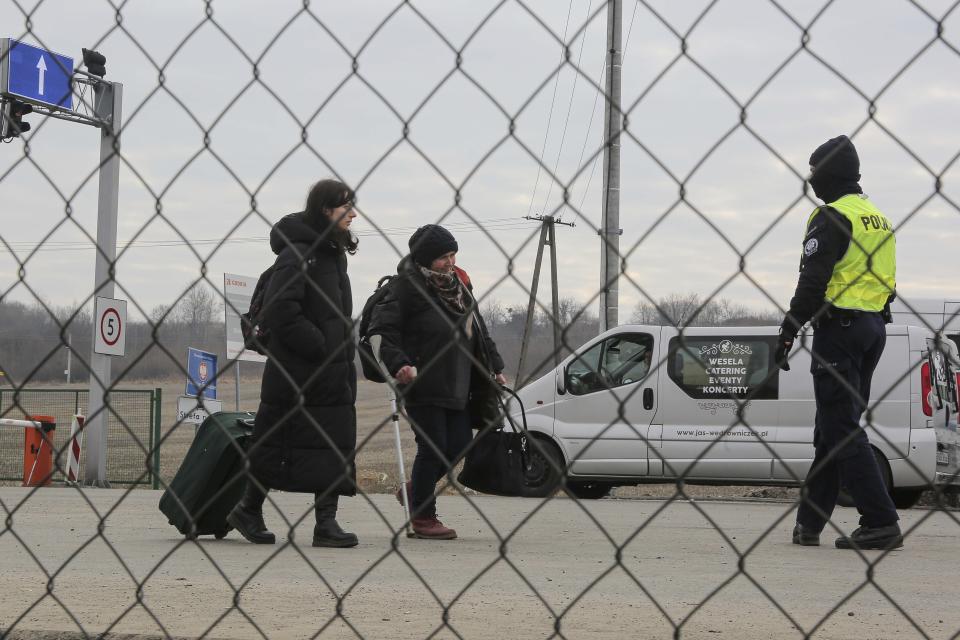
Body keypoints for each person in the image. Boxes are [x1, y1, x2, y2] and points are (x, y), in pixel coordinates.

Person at [776, 135, 901, 550]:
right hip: (873, 328)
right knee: (831, 428)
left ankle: (881, 521)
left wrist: (789, 328)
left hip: (840, 329)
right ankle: (809, 523)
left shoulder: (830, 216)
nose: (811, 180)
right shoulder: (877, 217)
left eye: (814, 171)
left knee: (841, 427)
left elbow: (812, 281)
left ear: (827, 174)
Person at [228, 179, 360, 548]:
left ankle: (326, 523)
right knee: (277, 442)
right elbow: (281, 309)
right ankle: (248, 509)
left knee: (332, 441)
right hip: (298, 373)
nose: (353, 213)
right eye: (344, 206)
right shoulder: (298, 254)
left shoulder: (332, 254)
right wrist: (319, 346)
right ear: (324, 210)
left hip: (330, 373)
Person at [369, 224, 507, 540]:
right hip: (421, 383)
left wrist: (495, 366)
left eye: (452, 254)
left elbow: (480, 333)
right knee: (431, 448)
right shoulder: (406, 288)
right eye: (443, 257)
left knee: (458, 443)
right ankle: (423, 517)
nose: (450, 261)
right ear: (425, 259)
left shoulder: (460, 286)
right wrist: (400, 363)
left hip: (458, 383)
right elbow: (384, 331)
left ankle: (415, 490)